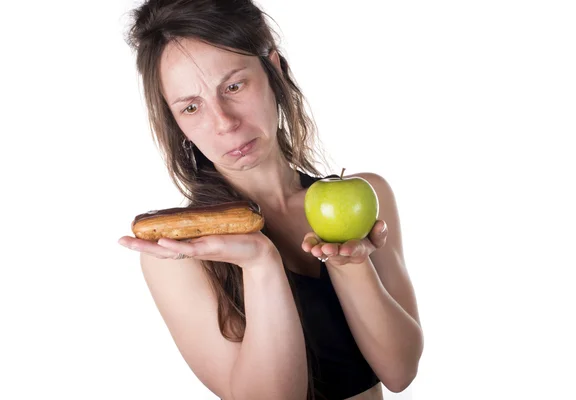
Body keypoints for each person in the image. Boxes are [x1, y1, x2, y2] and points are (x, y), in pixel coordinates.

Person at [117, 0, 424, 399]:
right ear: (176, 122)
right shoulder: (179, 256)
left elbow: (400, 372)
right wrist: (260, 263)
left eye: (233, 86)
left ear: (273, 70)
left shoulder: (370, 194)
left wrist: (352, 265)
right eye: (191, 107)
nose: (224, 122)